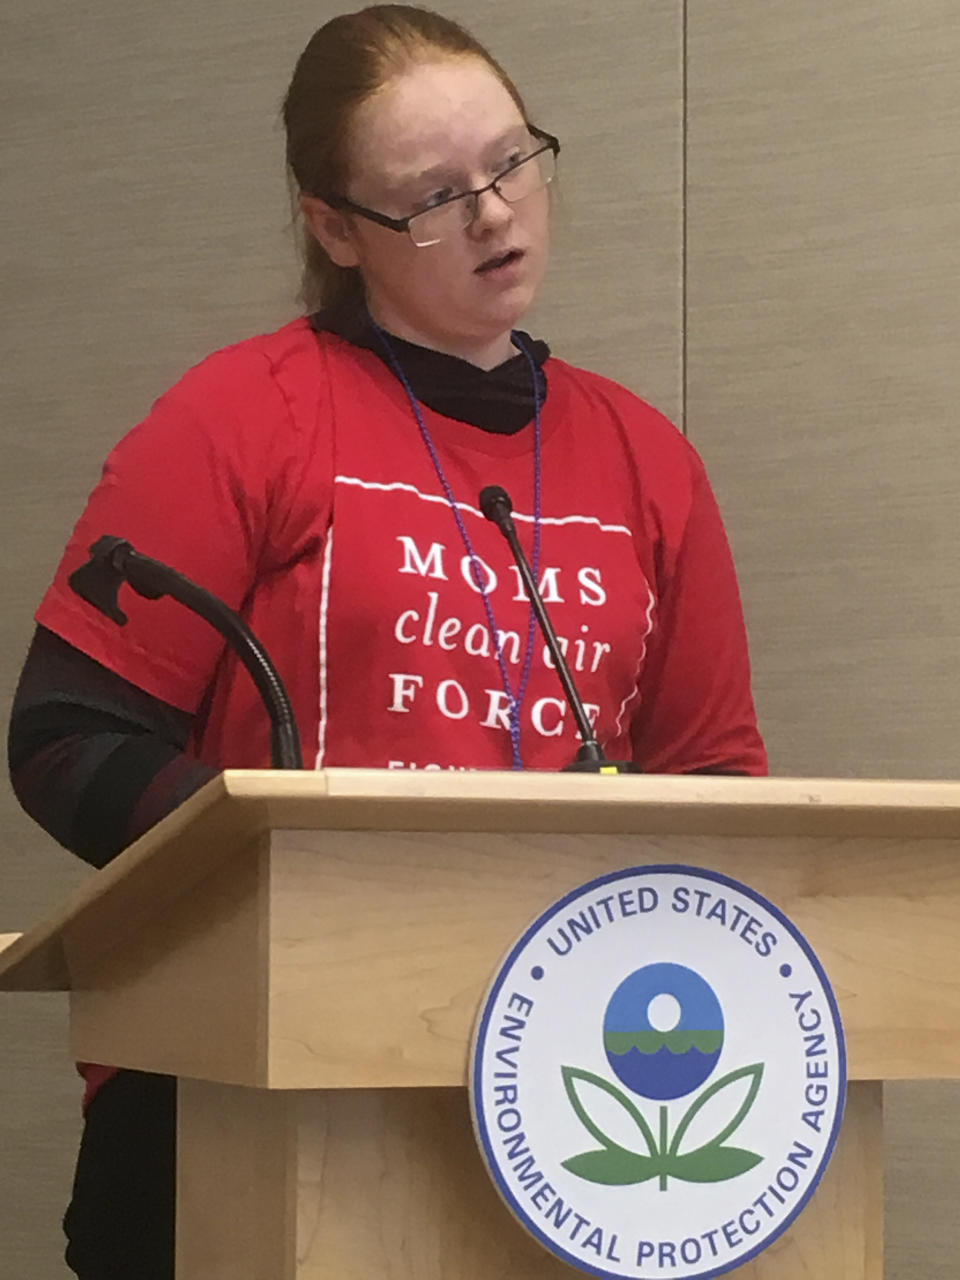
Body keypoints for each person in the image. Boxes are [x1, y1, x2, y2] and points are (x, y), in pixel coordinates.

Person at [7, 5, 767, 1276]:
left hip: (565, 1095)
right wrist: (293, 864)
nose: (493, 214)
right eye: (431, 195)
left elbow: (720, 791)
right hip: (233, 1093)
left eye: (512, 161)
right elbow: (64, 737)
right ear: (333, 227)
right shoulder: (245, 414)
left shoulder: (648, 462)